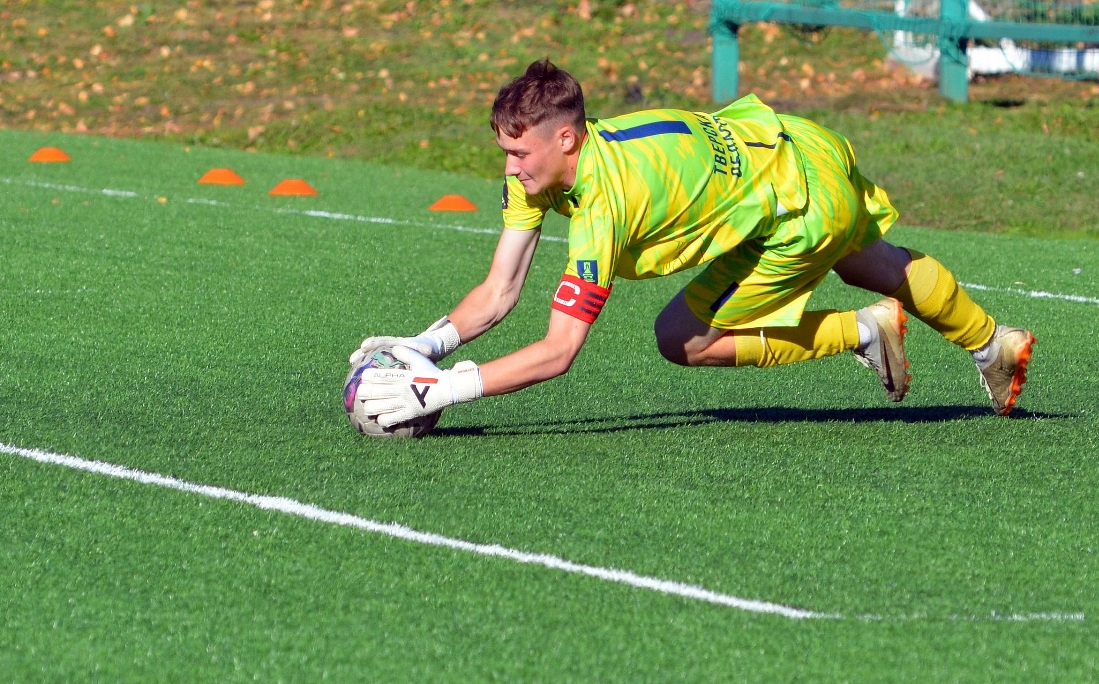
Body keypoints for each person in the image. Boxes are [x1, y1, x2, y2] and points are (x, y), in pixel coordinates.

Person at [350, 59, 1034, 429]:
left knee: (681, 338)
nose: (509, 167)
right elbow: (499, 292)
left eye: (518, 151)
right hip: (796, 143)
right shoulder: (550, 167)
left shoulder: (601, 206)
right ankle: (993, 342)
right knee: (874, 262)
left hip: (794, 207)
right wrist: (425, 347)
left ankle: (860, 331)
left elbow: (558, 353)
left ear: (566, 139)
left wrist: (441, 391)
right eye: (503, 150)